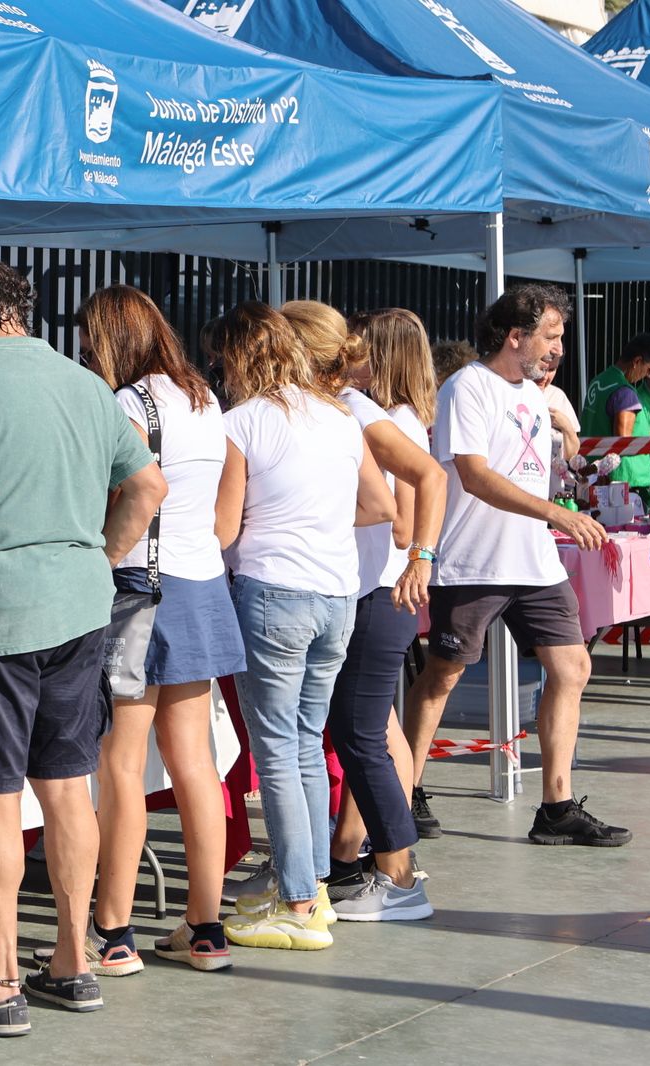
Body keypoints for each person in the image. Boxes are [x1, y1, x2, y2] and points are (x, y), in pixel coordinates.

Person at [0, 258, 165, 1035]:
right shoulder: (85, 383)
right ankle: (73, 961)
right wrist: (101, 555)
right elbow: (149, 486)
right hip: (79, 607)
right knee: (67, 784)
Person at [402, 285, 631, 847]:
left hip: (534, 560)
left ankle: (556, 806)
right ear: (515, 336)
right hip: (474, 559)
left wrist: (569, 464)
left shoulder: (532, 393)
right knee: (443, 676)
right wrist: (556, 510)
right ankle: (403, 790)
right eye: (550, 337)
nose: (558, 349)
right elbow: (476, 475)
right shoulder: (466, 388)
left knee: (573, 668)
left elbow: (537, 467)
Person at [212, 302, 396, 952]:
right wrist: (316, 518)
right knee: (308, 742)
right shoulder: (341, 419)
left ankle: (296, 899)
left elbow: (224, 530)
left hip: (271, 591)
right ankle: (311, 887)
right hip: (336, 594)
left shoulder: (241, 422)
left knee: (277, 750)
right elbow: (382, 505)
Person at [74, 284, 243, 975]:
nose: (86, 354)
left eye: (91, 341)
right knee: (194, 763)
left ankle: (113, 931)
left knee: (122, 763)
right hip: (201, 583)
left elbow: (121, 499)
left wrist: (97, 559)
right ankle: (206, 926)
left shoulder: (126, 404)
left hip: (139, 590)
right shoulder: (204, 399)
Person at [284, 303, 444, 923]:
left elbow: (413, 497)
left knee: (362, 736)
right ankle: (359, 864)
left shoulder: (358, 411)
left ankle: (399, 877)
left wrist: (421, 559)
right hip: (367, 592)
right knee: (367, 735)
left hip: (377, 592)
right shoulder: (343, 410)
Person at [580, 333, 650, 503]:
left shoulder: (598, 381)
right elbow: (623, 446)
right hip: (625, 487)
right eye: (649, 370)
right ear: (637, 362)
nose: (647, 376)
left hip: (594, 476)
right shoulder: (625, 392)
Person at [538, 353, 580, 501]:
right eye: (542, 368)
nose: (545, 376)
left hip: (555, 494)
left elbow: (572, 456)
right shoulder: (514, 392)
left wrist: (566, 426)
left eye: (552, 370)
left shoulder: (558, 396)